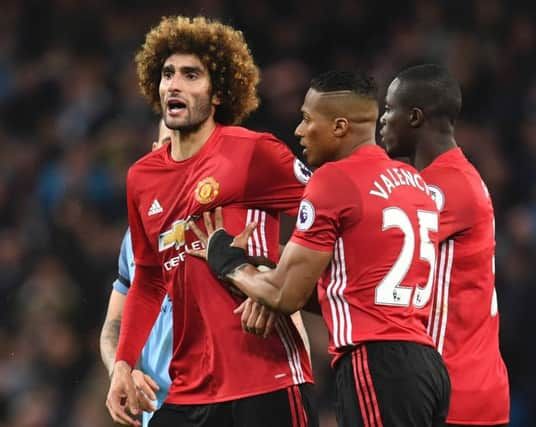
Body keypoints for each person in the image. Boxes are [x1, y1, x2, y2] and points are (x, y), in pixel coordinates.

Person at [190, 70, 451, 426]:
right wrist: (266, 267)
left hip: (375, 363)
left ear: (340, 127)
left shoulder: (333, 180)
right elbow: (350, 289)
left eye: (307, 119)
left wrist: (228, 260)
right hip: (428, 367)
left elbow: (285, 295)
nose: (299, 130)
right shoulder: (416, 186)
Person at [105, 15, 315, 427]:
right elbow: (148, 278)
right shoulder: (142, 178)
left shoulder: (253, 152)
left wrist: (282, 285)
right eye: (168, 74)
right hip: (187, 388)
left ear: (218, 92)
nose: (175, 85)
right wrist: (123, 365)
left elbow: (327, 214)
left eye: (191, 75)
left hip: (265, 378)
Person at [379, 64, 510, 427]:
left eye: (390, 109)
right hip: (467, 385)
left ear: (416, 117)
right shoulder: (454, 178)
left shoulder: (442, 188)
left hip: (451, 391)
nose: (383, 121)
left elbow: (373, 257)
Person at [100, 119, 174, 427]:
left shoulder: (234, 225)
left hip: (224, 405)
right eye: (170, 143)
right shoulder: (135, 238)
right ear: (155, 152)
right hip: (159, 411)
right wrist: (122, 368)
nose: (179, 153)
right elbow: (113, 324)